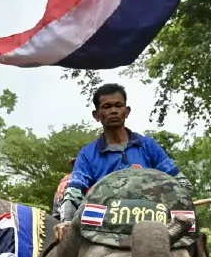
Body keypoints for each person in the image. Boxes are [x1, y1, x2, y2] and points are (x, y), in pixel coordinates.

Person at [54, 82, 193, 237]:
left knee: (193, 246)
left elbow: (182, 184)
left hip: (153, 223)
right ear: (97, 115)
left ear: (126, 111)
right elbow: (74, 192)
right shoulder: (87, 155)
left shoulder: (148, 146)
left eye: (118, 105)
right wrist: (66, 220)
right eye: (106, 107)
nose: (113, 110)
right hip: (105, 230)